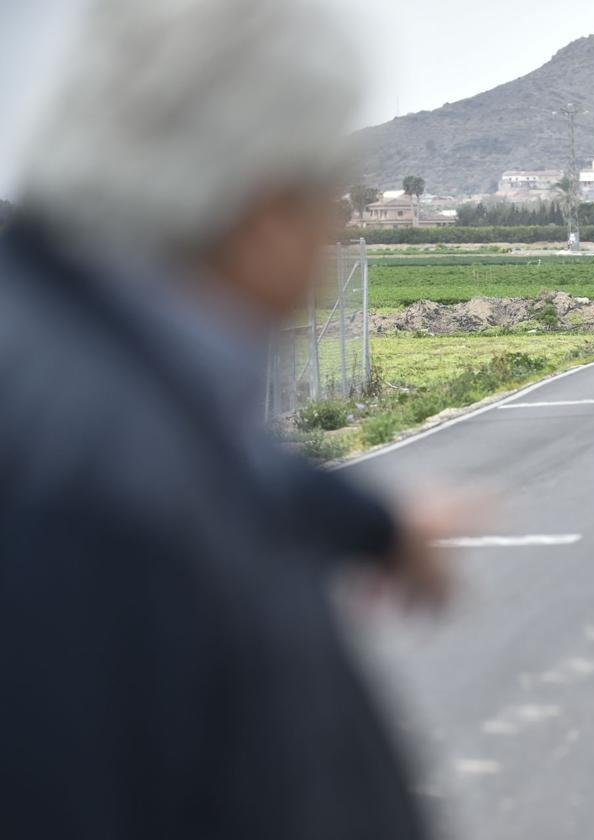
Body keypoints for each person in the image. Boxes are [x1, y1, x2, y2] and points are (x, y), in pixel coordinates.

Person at [0, 0, 456, 837]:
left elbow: (211, 464)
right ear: (264, 212)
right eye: (328, 203)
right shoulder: (88, 513)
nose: (331, 244)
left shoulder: (75, 352)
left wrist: (375, 523)